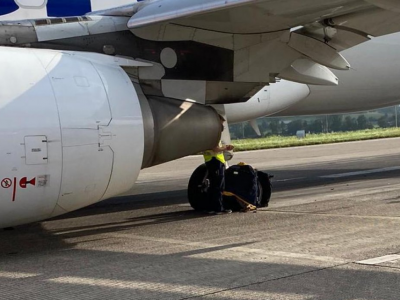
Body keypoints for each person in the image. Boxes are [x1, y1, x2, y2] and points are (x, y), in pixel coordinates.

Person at [203, 116, 234, 214]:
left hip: (211, 161)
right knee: (218, 186)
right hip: (215, 161)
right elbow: (216, 149)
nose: (222, 126)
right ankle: (217, 208)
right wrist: (226, 148)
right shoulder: (214, 134)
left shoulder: (207, 133)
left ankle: (211, 207)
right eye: (221, 123)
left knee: (213, 185)